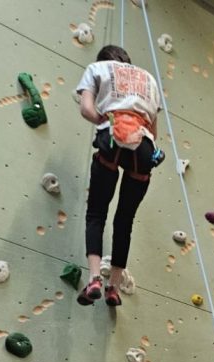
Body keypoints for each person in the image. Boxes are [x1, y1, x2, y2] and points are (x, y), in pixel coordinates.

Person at [75, 45, 163, 307]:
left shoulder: (97, 68)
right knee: (125, 220)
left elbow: (86, 109)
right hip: (143, 147)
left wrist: (105, 121)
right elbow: (153, 132)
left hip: (112, 138)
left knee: (96, 213)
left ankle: (94, 279)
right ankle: (113, 287)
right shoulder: (149, 80)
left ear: (104, 59)